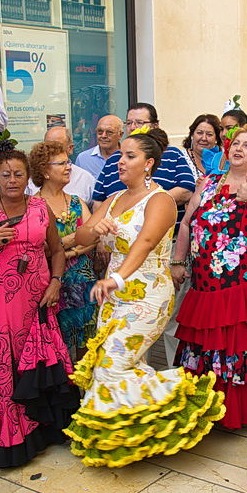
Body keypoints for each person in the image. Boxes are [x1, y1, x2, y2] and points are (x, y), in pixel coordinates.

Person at [64, 128, 225, 466]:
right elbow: (82, 235)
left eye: (129, 156)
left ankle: (178, 397)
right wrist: (95, 228)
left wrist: (117, 279)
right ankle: (134, 437)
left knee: (112, 364)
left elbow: (146, 243)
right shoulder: (113, 199)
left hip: (148, 294)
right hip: (114, 294)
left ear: (148, 163)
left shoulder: (161, 200)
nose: (120, 162)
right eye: (120, 155)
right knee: (117, 365)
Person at [0, 147, 78, 467]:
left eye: (18, 174)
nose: (12, 180)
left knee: (35, 360)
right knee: (0, 364)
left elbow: (56, 250)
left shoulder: (39, 207)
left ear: (28, 177)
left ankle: (41, 430)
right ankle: (6, 439)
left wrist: (55, 283)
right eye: (5, 174)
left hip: (37, 298)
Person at [172, 125, 247, 429]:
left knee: (242, 346)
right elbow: (186, 224)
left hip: (246, 286)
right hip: (206, 283)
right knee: (209, 345)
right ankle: (204, 408)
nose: (238, 149)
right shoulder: (208, 183)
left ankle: (242, 411)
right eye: (235, 143)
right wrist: (177, 260)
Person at [29, 141, 98, 357]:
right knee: (56, 345)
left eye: (68, 162)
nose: (69, 167)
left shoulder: (76, 202)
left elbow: (94, 236)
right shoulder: (33, 206)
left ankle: (84, 389)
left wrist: (69, 251)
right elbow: (38, 248)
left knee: (86, 346)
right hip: (51, 284)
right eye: (62, 163)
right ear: (44, 170)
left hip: (83, 282)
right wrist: (71, 240)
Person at [92, 103, 195, 228]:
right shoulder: (114, 159)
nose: (133, 127)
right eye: (129, 123)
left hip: (163, 235)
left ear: (155, 125)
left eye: (139, 122)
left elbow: (187, 191)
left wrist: (143, 207)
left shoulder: (172, 154)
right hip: (115, 236)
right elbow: (98, 199)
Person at [75, 114, 124, 179]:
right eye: (100, 132)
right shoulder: (83, 159)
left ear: (120, 134)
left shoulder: (127, 158)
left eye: (109, 132)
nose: (103, 136)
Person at [182, 113, 222, 179]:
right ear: (192, 135)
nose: (204, 138)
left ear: (216, 138)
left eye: (209, 134)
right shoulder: (181, 158)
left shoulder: (222, 160)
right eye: (199, 133)